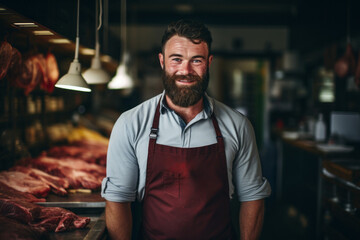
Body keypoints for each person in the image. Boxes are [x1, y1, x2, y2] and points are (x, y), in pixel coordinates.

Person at [101, 19, 271, 240]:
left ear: (209, 62)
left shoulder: (237, 125)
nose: (186, 70)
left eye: (196, 60)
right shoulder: (131, 123)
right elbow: (117, 201)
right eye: (176, 59)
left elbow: (253, 197)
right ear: (162, 61)